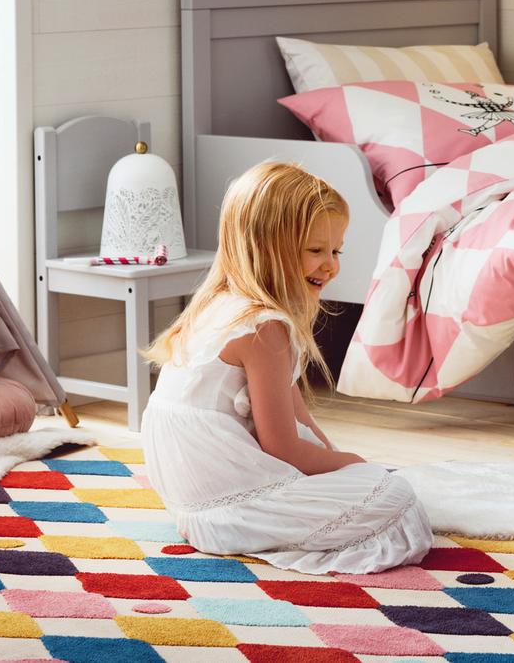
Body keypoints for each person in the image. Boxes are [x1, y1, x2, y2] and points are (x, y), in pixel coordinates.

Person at [142, 161, 432, 574]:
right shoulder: (263, 328)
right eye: (316, 250)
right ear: (265, 247)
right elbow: (282, 447)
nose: (330, 265)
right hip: (228, 503)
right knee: (396, 497)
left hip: (192, 506)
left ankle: (245, 521)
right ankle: (251, 526)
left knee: (366, 479)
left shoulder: (222, 305)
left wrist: (335, 459)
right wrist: (355, 464)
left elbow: (296, 412)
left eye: (336, 250)